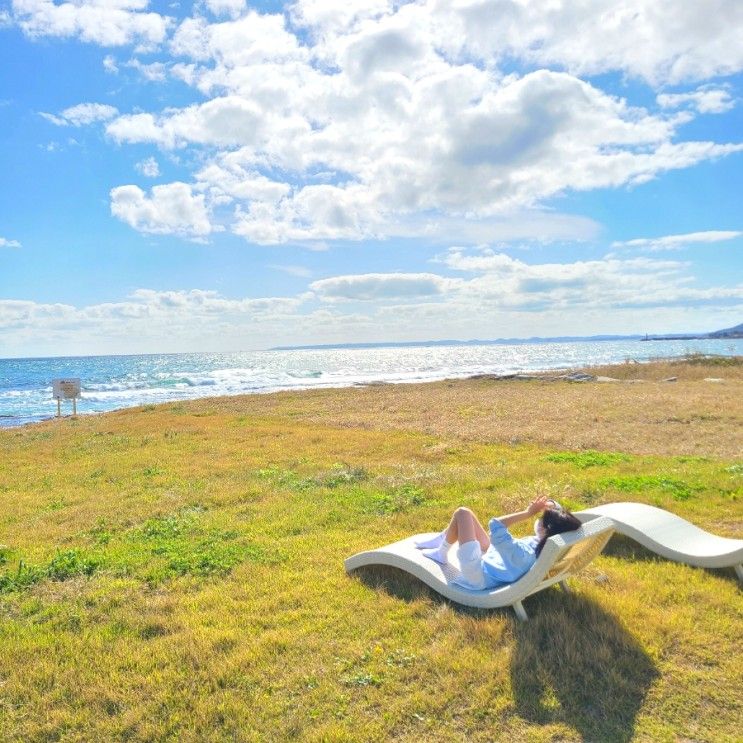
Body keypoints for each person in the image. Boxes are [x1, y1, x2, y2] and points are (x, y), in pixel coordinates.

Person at [414, 496, 582, 590]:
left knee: (463, 513)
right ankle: (443, 540)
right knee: (469, 515)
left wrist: (527, 513)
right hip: (496, 562)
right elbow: (557, 508)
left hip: (479, 574)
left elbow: (495, 525)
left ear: (546, 529)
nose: (537, 519)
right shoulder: (543, 546)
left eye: (540, 519)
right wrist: (549, 505)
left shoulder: (522, 553)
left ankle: (442, 551)